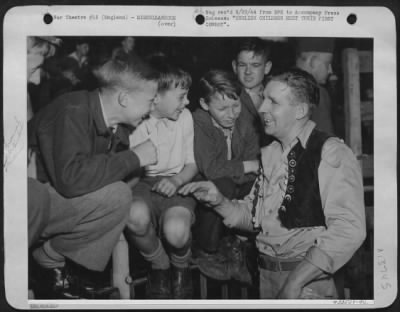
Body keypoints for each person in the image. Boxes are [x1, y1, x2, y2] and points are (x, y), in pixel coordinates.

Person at [179, 68, 366, 299]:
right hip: (266, 277)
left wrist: (295, 283)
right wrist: (219, 201)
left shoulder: (329, 152)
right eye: (264, 98)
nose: (261, 108)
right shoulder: (271, 153)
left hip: (307, 284)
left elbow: (349, 229)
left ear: (300, 110)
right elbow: (255, 218)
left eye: (273, 102)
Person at [28, 52, 159, 299]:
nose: (152, 109)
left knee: (118, 196)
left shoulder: (116, 128)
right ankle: (49, 268)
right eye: (151, 101)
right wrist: (134, 158)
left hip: (51, 201)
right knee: (118, 194)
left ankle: (49, 262)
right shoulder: (73, 109)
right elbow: (71, 179)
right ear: (124, 98)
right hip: (27, 205)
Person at [126, 56, 197, 299]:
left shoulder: (185, 117)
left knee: (176, 232)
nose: (186, 102)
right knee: (134, 216)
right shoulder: (134, 121)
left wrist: (177, 181)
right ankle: (160, 265)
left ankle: (181, 266)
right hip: (141, 183)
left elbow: (191, 164)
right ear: (155, 97)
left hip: (178, 181)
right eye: (181, 97)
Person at [191, 69, 260, 285]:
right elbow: (211, 169)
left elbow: (254, 163)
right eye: (222, 108)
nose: (231, 113)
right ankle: (207, 249)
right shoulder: (198, 122)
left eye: (236, 105)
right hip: (206, 188)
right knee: (222, 185)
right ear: (204, 104)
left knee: (256, 188)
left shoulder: (245, 123)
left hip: (236, 185)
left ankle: (240, 245)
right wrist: (246, 167)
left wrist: (247, 171)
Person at [232, 37, 273, 147]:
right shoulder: (228, 98)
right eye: (242, 65)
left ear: (267, 67)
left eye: (255, 65)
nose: (248, 71)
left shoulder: (276, 95)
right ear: (234, 67)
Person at [295, 37, 335, 134]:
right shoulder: (317, 92)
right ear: (313, 61)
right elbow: (325, 140)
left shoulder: (278, 83)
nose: (330, 71)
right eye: (327, 64)